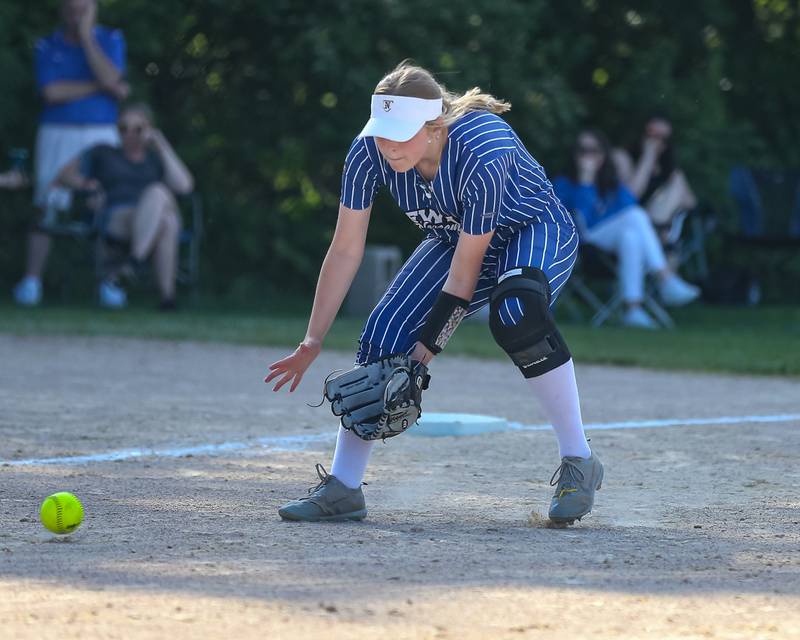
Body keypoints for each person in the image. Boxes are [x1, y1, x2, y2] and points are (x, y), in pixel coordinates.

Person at [265, 62, 602, 525]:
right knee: (385, 334)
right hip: (453, 239)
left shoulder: (483, 149)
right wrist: (312, 340)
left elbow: (464, 278)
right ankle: (343, 488)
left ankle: (579, 460)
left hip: (532, 229)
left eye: (399, 133)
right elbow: (345, 250)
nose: (387, 145)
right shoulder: (369, 152)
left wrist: (422, 357)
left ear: (434, 126)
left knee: (517, 310)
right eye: (381, 132)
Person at [13, 0, 129, 307]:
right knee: (46, 201)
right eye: (72, 8)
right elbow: (52, 92)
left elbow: (111, 78)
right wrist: (103, 86)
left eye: (83, 9)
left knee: (107, 204)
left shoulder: (110, 39)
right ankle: (31, 281)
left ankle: (109, 281)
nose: (76, 15)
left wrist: (88, 37)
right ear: (62, 10)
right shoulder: (47, 44)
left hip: (101, 131)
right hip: (57, 131)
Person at [553, 129, 700, 329]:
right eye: (582, 150)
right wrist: (586, 180)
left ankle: (633, 309)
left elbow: (630, 202)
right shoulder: (564, 184)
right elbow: (583, 218)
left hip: (612, 240)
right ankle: (665, 278)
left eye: (594, 150)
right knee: (636, 216)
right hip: (583, 243)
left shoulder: (609, 182)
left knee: (631, 235)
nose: (588, 155)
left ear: (603, 154)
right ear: (574, 154)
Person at [54, 103, 194, 309]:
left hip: (150, 219)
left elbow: (185, 186)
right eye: (123, 128)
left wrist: (161, 144)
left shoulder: (156, 159)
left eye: (138, 129)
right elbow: (64, 175)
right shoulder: (103, 152)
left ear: (149, 130)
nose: (129, 133)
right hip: (113, 217)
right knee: (161, 200)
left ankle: (145, 274)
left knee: (166, 216)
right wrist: (87, 184)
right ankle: (161, 291)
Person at [614, 115, 698, 245]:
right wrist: (647, 157)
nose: (656, 141)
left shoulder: (669, 172)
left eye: (663, 138)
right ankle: (658, 232)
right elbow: (631, 195)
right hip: (627, 222)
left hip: (659, 224)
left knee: (677, 180)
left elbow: (691, 203)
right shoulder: (623, 158)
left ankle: (660, 231)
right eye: (652, 134)